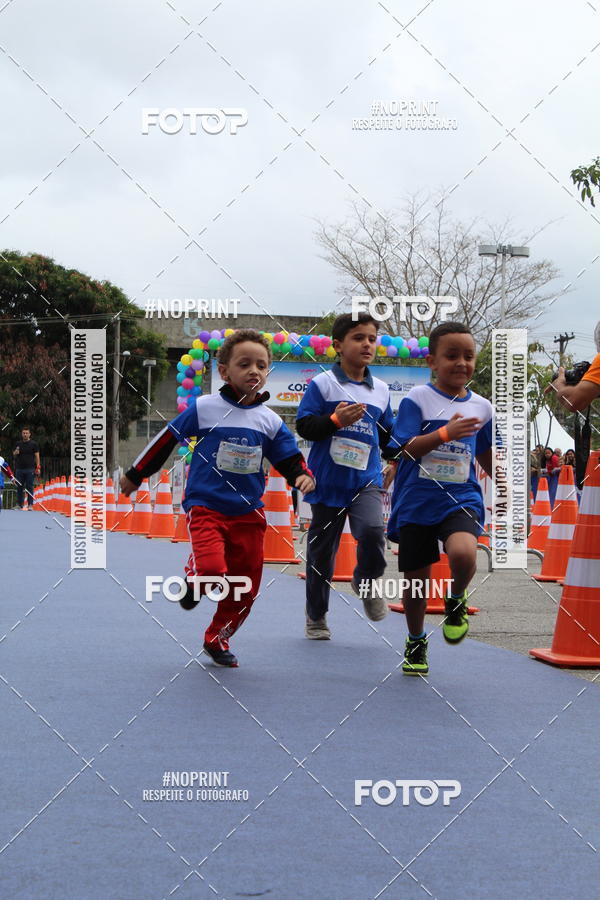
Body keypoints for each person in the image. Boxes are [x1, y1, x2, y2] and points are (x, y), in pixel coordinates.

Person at [121, 330, 315, 667]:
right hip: (207, 506)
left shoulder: (268, 420)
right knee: (213, 569)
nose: (254, 371)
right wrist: (136, 474)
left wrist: (301, 475)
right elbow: (166, 440)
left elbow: (288, 456)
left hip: (248, 514)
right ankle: (195, 577)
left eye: (262, 365)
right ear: (224, 371)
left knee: (245, 587)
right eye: (245, 364)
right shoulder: (205, 408)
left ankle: (217, 636)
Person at [383, 321, 493, 676]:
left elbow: (488, 452)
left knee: (463, 553)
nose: (461, 363)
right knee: (417, 582)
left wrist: (507, 484)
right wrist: (445, 432)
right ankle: (416, 640)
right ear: (432, 361)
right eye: (451, 356)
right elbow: (401, 448)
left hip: (460, 497)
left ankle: (457, 598)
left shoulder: (482, 407)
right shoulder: (418, 399)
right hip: (417, 499)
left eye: (468, 356)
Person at [296, 312, 394, 639]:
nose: (367, 344)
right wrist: (335, 421)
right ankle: (316, 617)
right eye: (358, 338)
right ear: (338, 345)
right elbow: (305, 426)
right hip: (327, 483)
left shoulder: (380, 390)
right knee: (321, 556)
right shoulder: (323, 384)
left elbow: (388, 436)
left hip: (365, 481)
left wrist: (401, 455)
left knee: (373, 531)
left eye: (371, 338)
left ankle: (365, 581)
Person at [13, 428, 40, 510]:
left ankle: (30, 505)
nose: (25, 434)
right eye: (23, 433)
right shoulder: (18, 444)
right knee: (19, 487)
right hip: (19, 469)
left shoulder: (33, 444)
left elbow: (37, 456)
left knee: (30, 487)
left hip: (30, 469)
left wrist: (38, 467)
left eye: (26, 433)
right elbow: (14, 454)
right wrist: (16, 452)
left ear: (29, 434)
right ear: (21, 434)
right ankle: (19, 504)